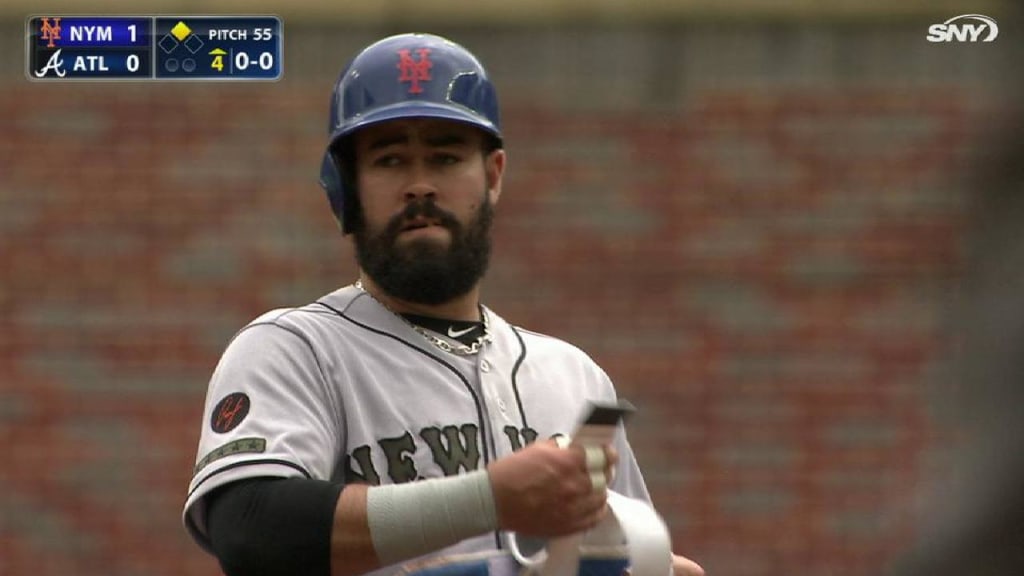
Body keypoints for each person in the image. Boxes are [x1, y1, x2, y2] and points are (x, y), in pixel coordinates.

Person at [182, 32, 704, 576]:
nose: (420, 185)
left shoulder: (574, 377)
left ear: (493, 175)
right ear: (347, 188)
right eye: (389, 161)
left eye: (446, 157)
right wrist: (488, 499)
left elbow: (607, 553)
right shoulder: (296, 350)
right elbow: (252, 531)